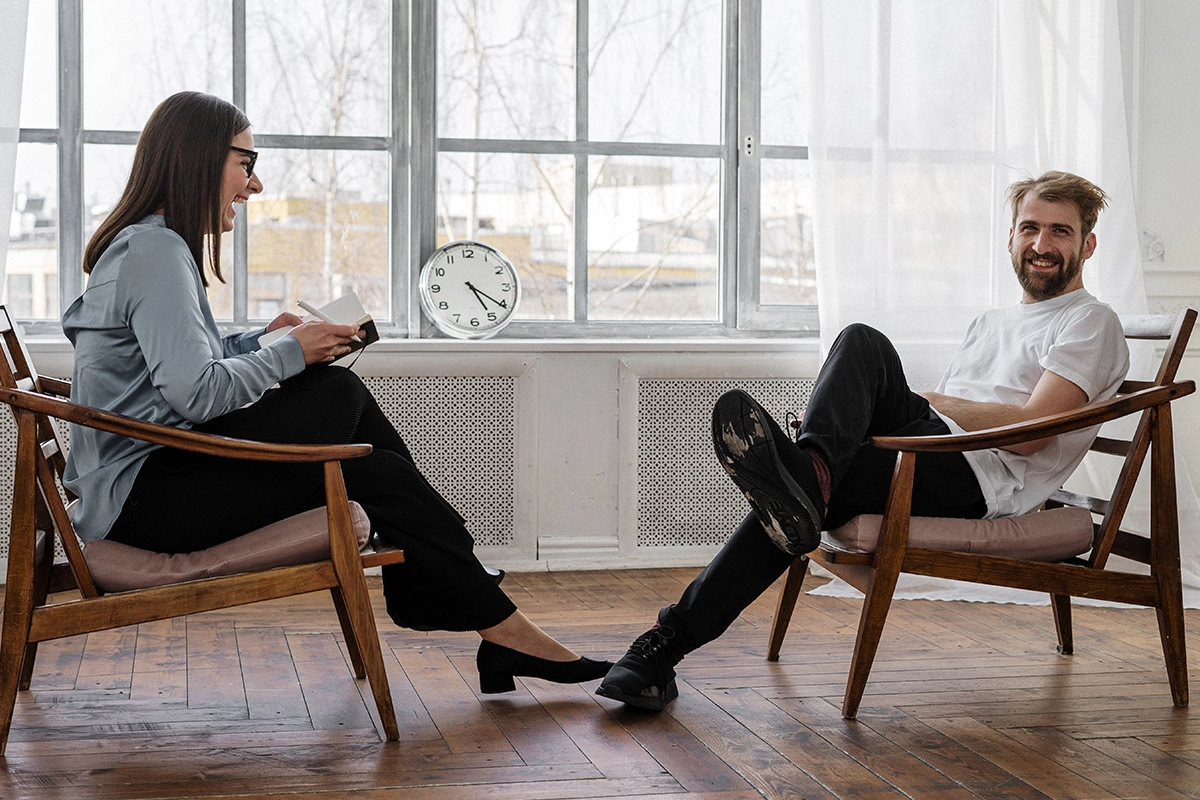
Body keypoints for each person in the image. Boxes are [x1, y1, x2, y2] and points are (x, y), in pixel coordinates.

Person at [62, 91, 611, 694]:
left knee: (374, 465)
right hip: (147, 501)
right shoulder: (157, 250)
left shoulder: (148, 246)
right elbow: (195, 395)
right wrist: (291, 353)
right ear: (199, 159)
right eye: (246, 163)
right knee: (337, 394)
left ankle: (499, 626)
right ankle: (475, 593)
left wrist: (260, 342)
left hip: (153, 480)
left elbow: (173, 368)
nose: (255, 184)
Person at [595, 170, 1130, 710]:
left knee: (810, 486)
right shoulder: (991, 322)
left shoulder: (1090, 320)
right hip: (932, 446)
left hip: (979, 477)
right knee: (860, 343)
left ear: (1087, 245)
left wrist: (934, 402)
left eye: (1060, 231)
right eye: (1030, 228)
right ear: (1011, 237)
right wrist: (921, 410)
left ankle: (666, 641)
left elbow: (1033, 434)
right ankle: (810, 474)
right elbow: (944, 414)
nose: (1041, 244)